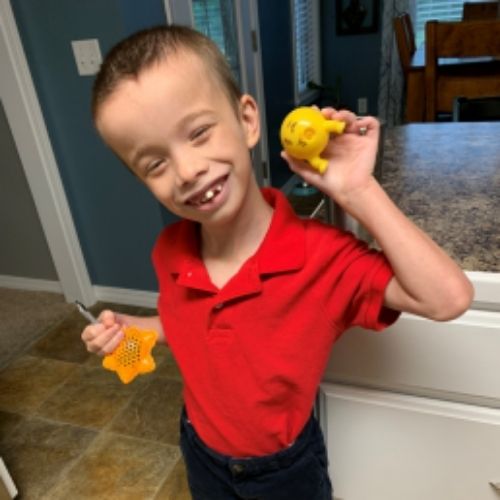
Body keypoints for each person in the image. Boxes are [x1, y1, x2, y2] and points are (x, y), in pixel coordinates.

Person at [81, 25, 473, 500]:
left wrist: (357, 190)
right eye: (155, 164)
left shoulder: (321, 257)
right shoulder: (170, 250)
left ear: (247, 119)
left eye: (200, 132)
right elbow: (187, 324)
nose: (187, 170)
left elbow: (447, 298)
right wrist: (134, 330)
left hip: (283, 473)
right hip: (200, 450)